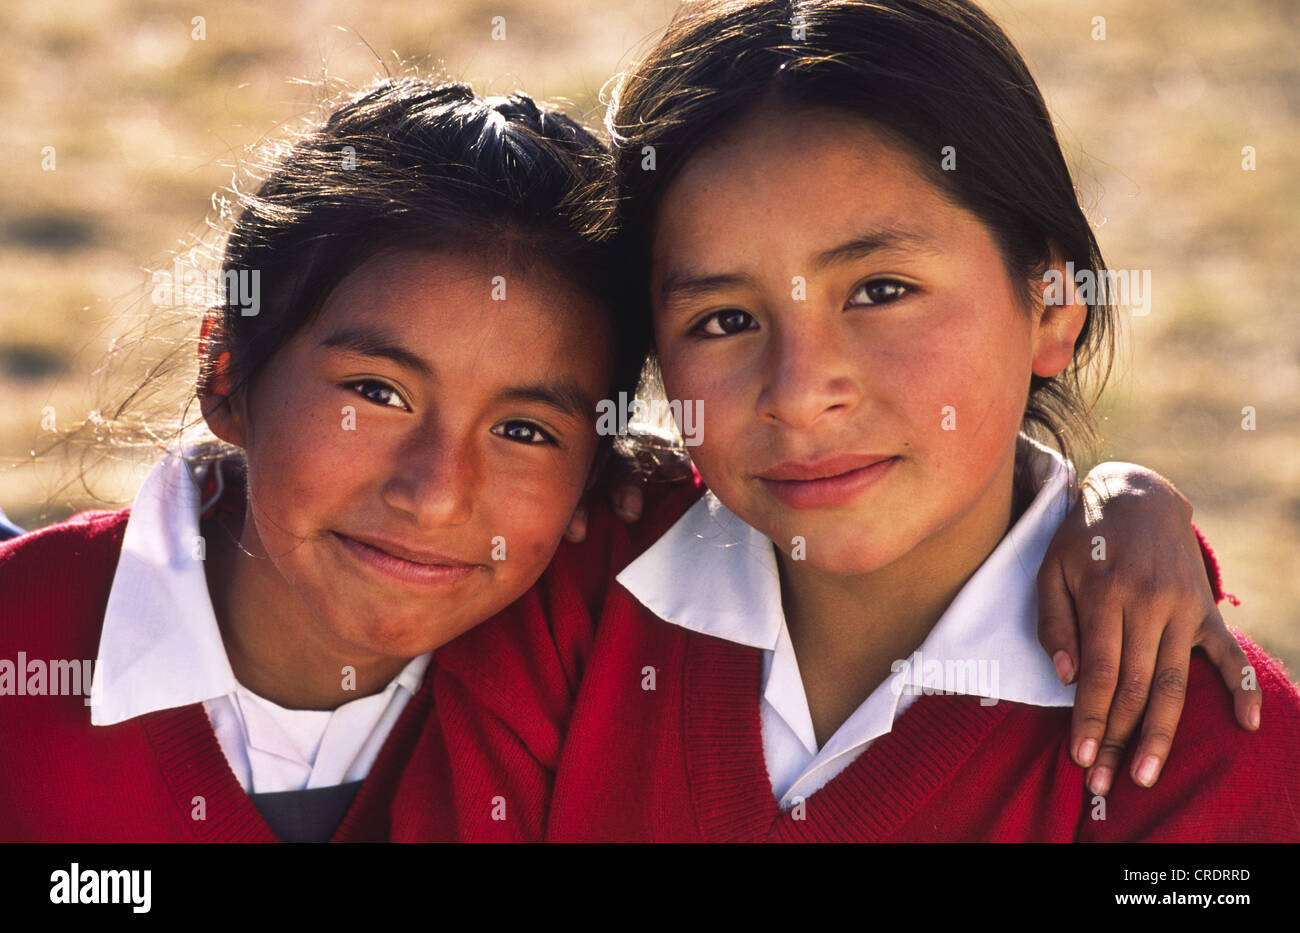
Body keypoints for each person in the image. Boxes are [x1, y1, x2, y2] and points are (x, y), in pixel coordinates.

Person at [431, 0, 1298, 841]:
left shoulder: (1203, 748)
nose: (801, 394)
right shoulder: (563, 604)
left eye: (881, 292)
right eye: (725, 320)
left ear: (1053, 303)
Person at [0, 77, 639, 842]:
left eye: (526, 432)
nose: (435, 493)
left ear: (597, 472)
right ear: (226, 375)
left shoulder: (605, 673)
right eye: (377, 392)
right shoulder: (22, 646)